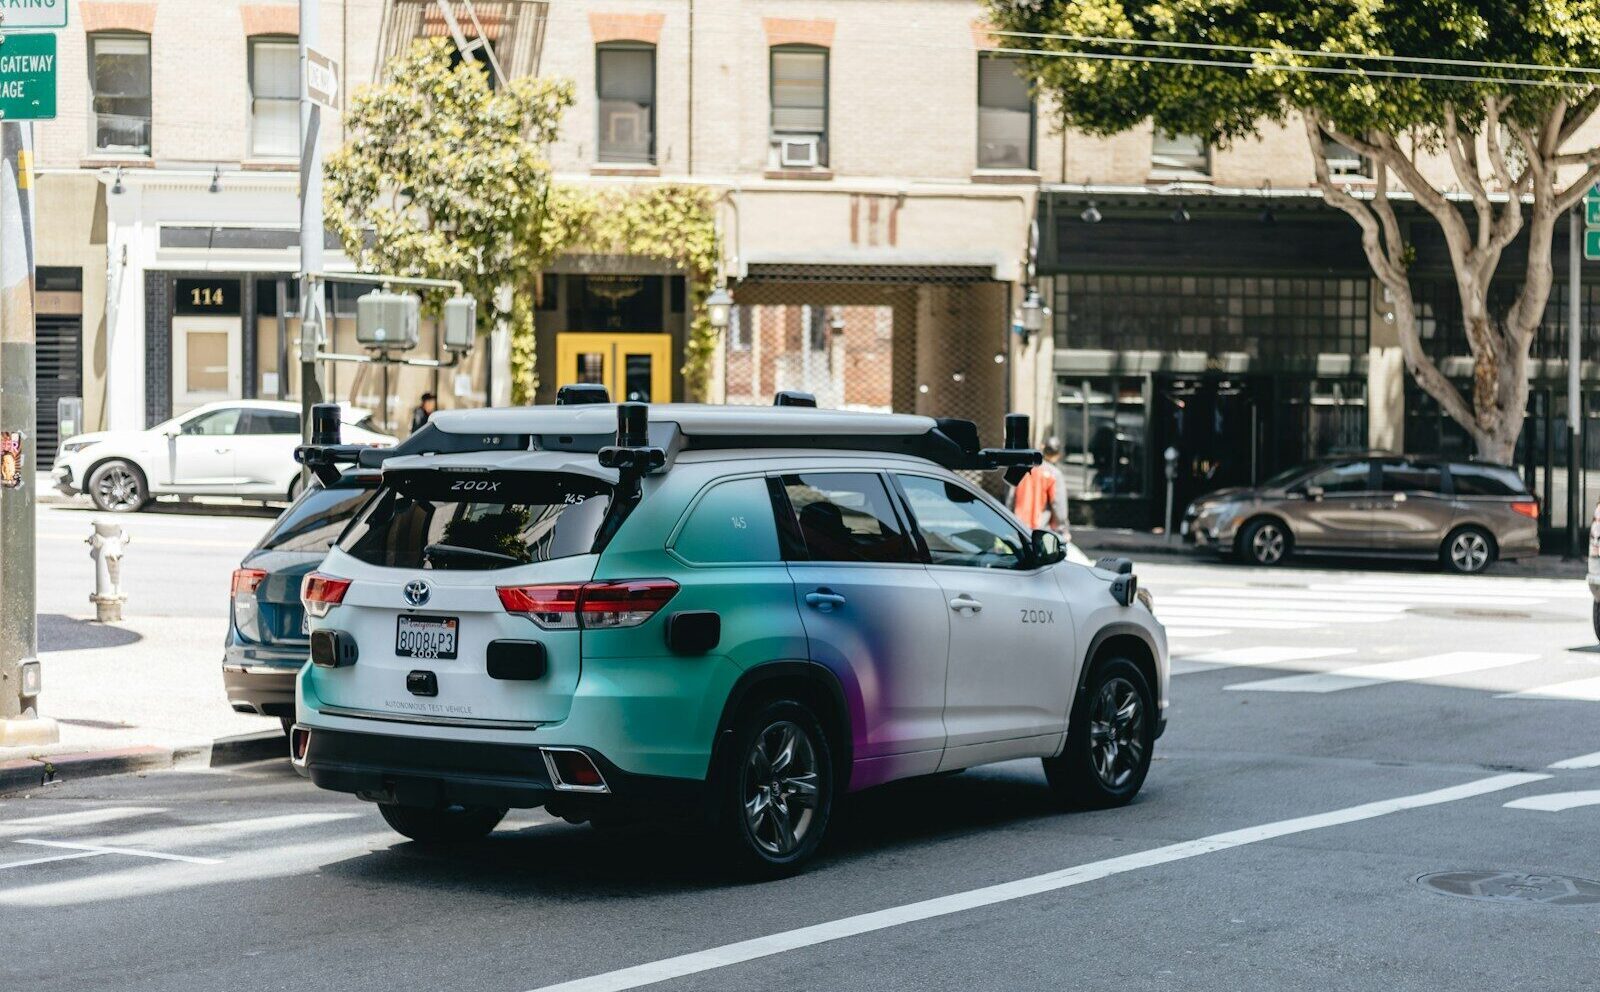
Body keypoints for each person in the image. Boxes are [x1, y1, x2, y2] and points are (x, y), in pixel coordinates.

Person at [1008, 435, 1070, 539]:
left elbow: (1010, 499)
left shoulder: (1020, 469)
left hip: (1017, 528)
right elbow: (1058, 506)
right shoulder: (1054, 474)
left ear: (1042, 448)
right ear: (1058, 455)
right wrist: (1063, 529)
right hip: (1040, 531)